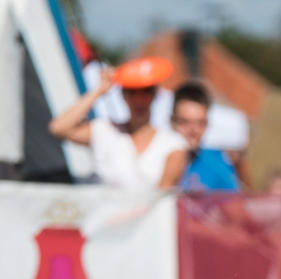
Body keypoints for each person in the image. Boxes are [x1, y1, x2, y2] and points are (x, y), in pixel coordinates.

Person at [48, 63, 187, 189]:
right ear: (123, 95)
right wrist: (99, 91)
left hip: (148, 217)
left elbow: (163, 191)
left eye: (145, 91)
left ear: (155, 94)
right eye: (132, 92)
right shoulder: (104, 130)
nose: (139, 100)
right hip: (104, 215)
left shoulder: (173, 142)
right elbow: (59, 128)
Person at [170, 80, 241, 192]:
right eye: (185, 122)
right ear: (172, 121)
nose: (193, 131)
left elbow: (234, 205)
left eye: (200, 123)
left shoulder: (217, 162)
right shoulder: (154, 159)